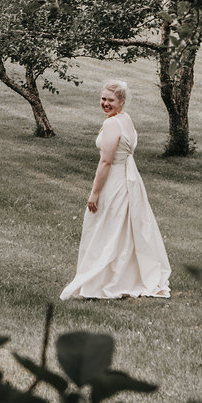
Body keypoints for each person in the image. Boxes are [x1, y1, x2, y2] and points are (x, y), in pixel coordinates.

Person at [60, 80, 171, 299]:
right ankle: (121, 275)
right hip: (129, 181)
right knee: (121, 229)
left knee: (104, 228)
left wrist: (95, 193)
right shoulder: (124, 119)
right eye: (103, 99)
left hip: (115, 181)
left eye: (110, 100)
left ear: (121, 101)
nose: (105, 103)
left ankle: (102, 280)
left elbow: (106, 163)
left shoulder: (112, 124)